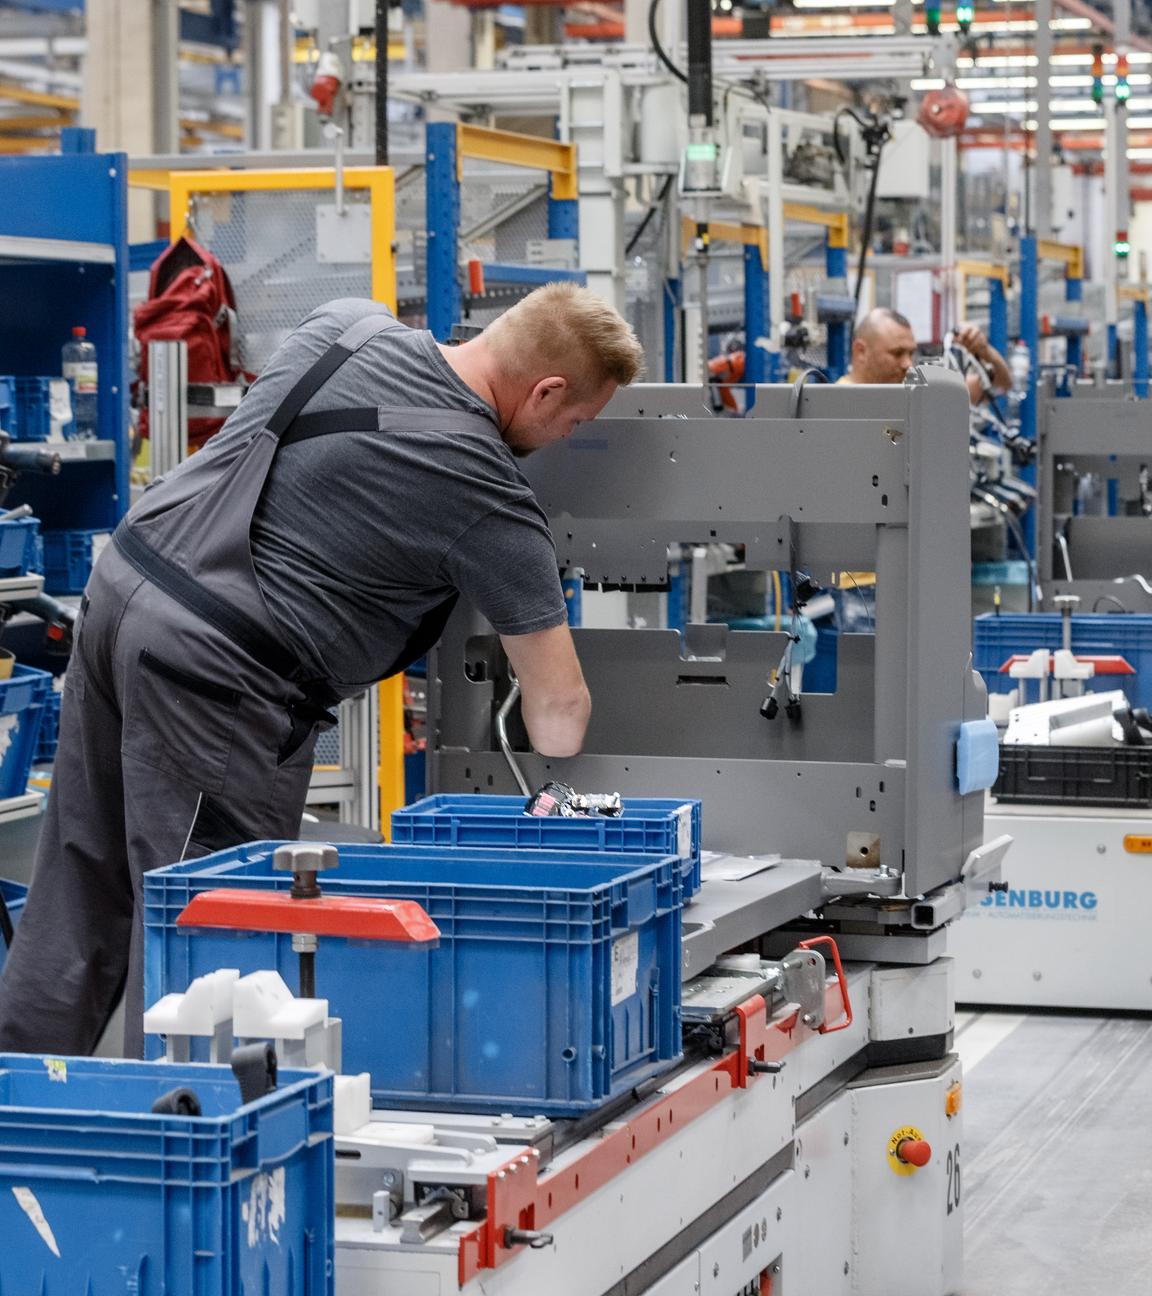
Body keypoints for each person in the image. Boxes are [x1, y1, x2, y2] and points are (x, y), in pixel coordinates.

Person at [0, 283, 645, 1057]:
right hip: (216, 676)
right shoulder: (487, 490)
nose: (567, 438)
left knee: (82, 876)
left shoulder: (347, 321)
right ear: (545, 389)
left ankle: (20, 1113)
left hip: (122, 590)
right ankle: (181, 1141)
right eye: (574, 421)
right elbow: (558, 715)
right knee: (209, 934)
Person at [841, 308, 1010, 405]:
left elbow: (1001, 382)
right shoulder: (838, 405)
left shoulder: (918, 396)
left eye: (911, 353)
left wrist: (984, 350)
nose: (907, 364)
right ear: (860, 351)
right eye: (897, 353)